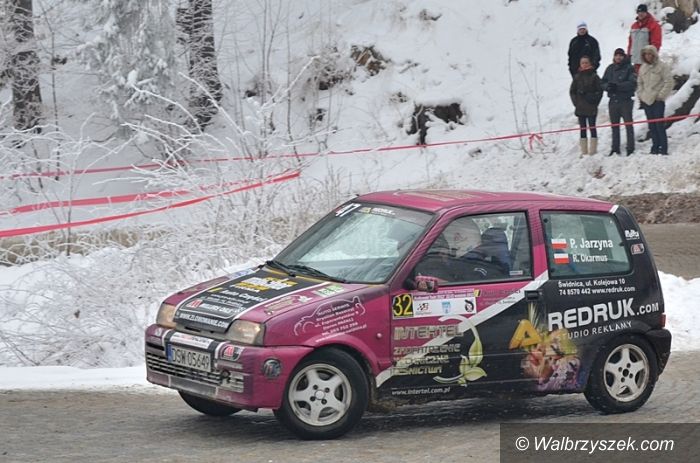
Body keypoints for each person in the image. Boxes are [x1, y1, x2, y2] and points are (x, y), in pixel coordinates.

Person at [637, 45, 674, 155]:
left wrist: (661, 96)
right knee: (651, 126)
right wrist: (641, 95)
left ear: (654, 55)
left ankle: (663, 147)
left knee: (659, 125)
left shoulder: (662, 66)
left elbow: (669, 82)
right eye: (646, 54)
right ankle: (655, 146)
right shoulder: (643, 68)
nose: (648, 56)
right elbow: (639, 83)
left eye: (650, 54)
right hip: (646, 100)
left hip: (657, 100)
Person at [601, 48, 637, 156]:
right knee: (614, 126)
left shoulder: (629, 68)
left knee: (628, 125)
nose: (618, 57)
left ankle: (630, 148)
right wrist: (608, 87)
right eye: (616, 55)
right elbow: (602, 82)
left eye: (620, 55)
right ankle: (615, 148)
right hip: (613, 100)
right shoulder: (610, 68)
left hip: (625, 100)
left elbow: (632, 83)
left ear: (623, 57)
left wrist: (618, 86)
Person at [570, 56, 603, 155]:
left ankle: (593, 150)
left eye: (586, 62)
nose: (584, 64)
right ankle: (584, 151)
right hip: (580, 108)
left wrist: (594, 100)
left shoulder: (594, 76)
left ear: (590, 63)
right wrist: (576, 103)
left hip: (591, 107)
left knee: (592, 127)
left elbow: (600, 91)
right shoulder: (577, 77)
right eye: (582, 63)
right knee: (582, 129)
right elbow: (572, 91)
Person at [628, 4, 662, 73]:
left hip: (648, 62)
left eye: (643, 12)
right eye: (639, 12)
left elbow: (656, 43)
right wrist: (628, 55)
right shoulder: (634, 26)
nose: (641, 14)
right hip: (636, 61)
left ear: (646, 12)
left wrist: (651, 57)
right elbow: (631, 42)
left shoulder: (654, 25)